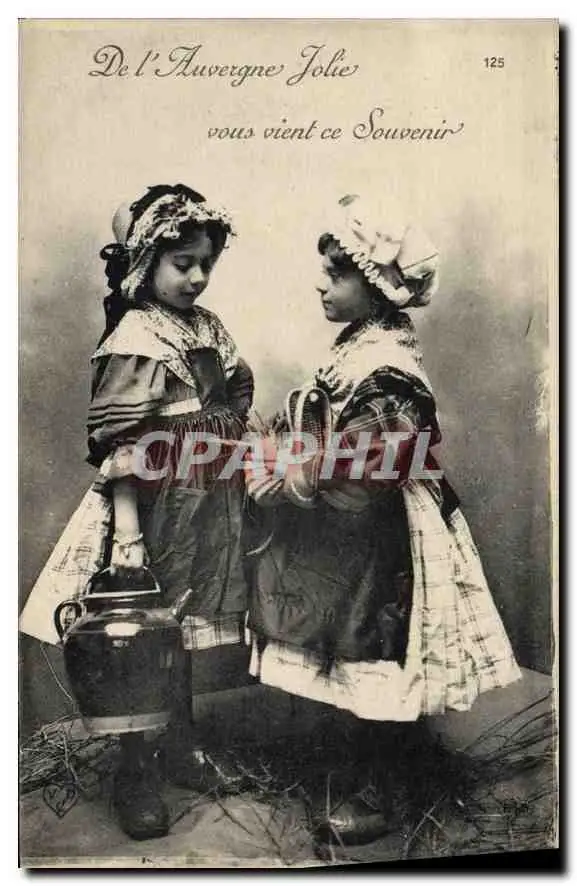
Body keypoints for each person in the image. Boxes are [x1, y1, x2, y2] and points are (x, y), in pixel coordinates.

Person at [243, 193, 522, 844]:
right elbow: (321, 423)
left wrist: (291, 476)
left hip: (382, 524)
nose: (322, 282)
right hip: (347, 525)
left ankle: (389, 788)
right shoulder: (355, 346)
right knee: (350, 642)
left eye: (338, 272)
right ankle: (361, 764)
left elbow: (371, 461)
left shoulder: (389, 368)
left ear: (377, 288)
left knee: (382, 644)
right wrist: (278, 444)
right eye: (325, 269)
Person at [20, 183, 254, 840]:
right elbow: (121, 448)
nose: (197, 277)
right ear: (146, 261)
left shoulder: (205, 326)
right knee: (137, 641)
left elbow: (234, 394)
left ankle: (181, 746)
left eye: (206, 263)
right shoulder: (136, 336)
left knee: (180, 631)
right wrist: (127, 534)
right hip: (149, 509)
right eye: (183, 263)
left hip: (204, 503)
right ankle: (135, 770)